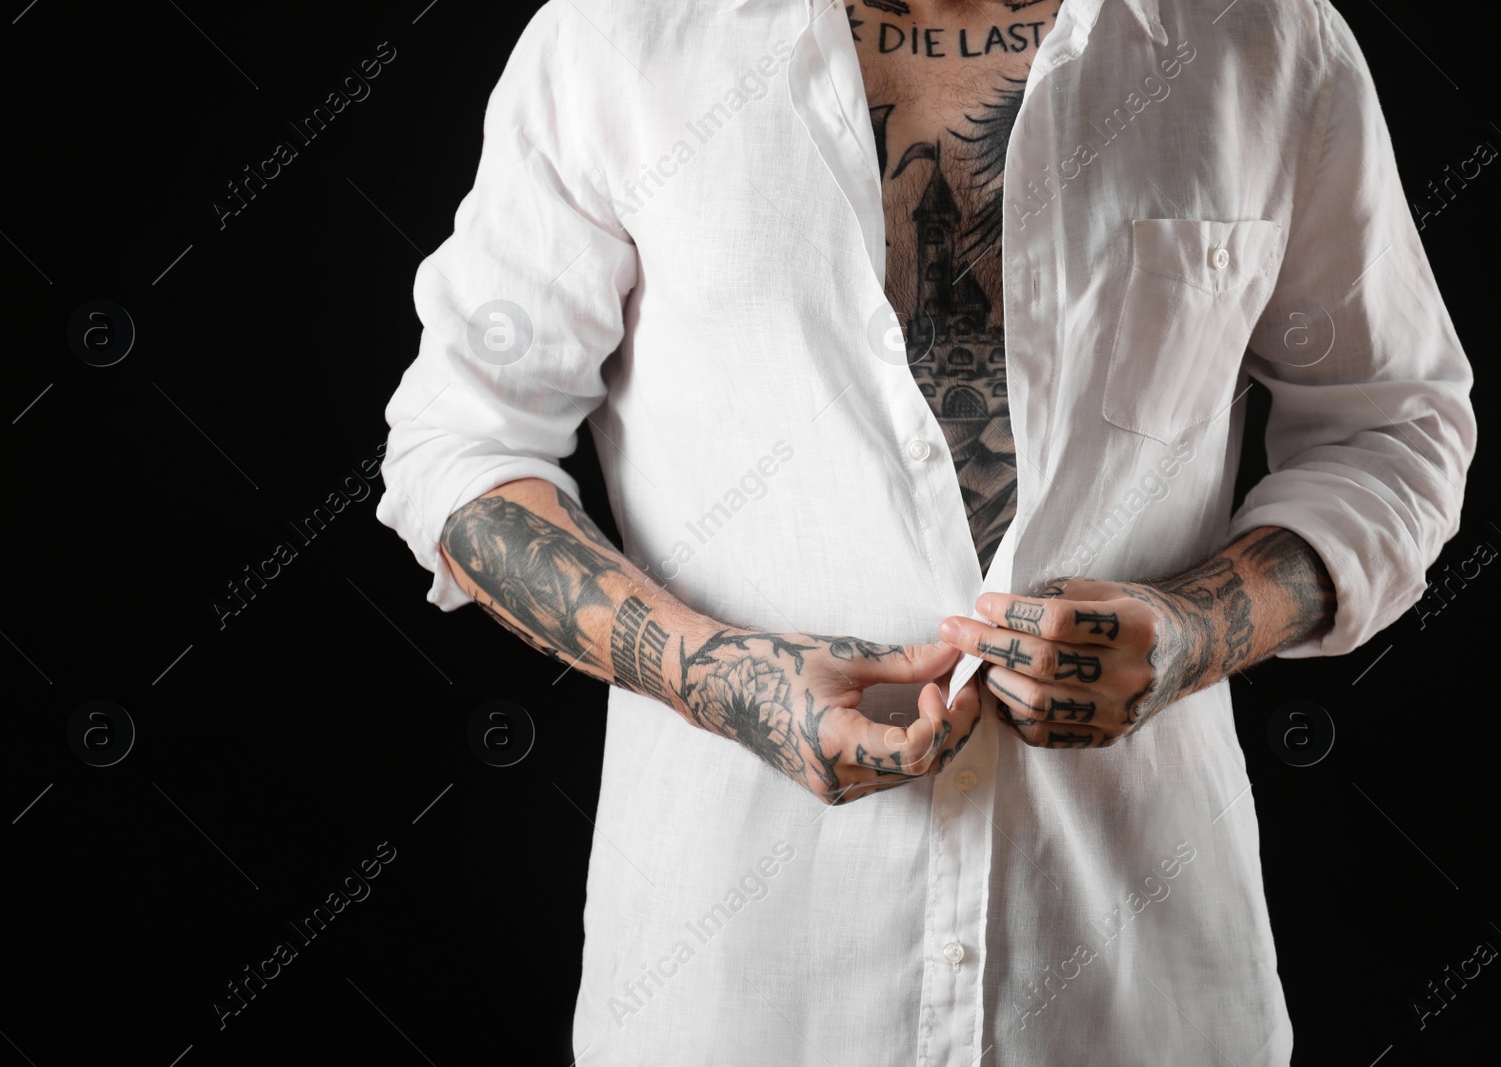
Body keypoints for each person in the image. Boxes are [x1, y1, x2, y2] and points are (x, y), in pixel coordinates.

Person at [375, 0, 1475, 1062]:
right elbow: (461, 447)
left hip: (1138, 998)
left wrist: (1194, 631)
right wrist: (715, 673)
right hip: (734, 991)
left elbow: (1391, 430)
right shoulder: (620, 35)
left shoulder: (1260, 38)